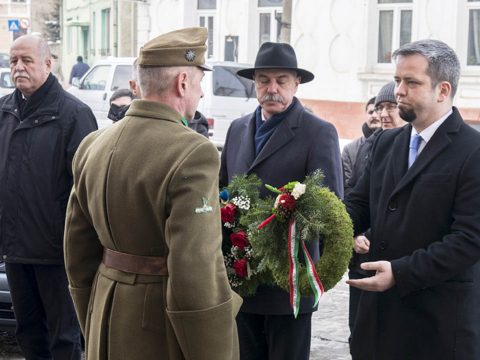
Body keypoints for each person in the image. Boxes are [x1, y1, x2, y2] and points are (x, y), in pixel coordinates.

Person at [64, 27, 241, 359]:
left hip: (106, 313)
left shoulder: (93, 144)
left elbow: (77, 251)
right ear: (183, 83)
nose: (201, 93)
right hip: (158, 331)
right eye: (199, 82)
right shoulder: (193, 153)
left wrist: (94, 313)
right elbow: (195, 270)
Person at [345, 39, 480, 360]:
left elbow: (469, 239)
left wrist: (401, 272)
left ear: (443, 90)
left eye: (411, 82)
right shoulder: (384, 143)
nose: (399, 91)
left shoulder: (472, 150)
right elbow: (359, 204)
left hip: (437, 326)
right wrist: (330, 224)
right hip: (377, 325)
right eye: (397, 81)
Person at [220, 41, 343, 360]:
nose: (271, 88)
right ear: (254, 83)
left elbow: (330, 206)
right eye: (263, 80)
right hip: (242, 281)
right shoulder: (236, 129)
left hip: (288, 286)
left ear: (296, 83)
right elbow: (222, 190)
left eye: (281, 80)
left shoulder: (318, 132)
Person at [0, 35, 97, 358]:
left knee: (64, 339)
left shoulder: (74, 115)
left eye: (26, 60)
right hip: (15, 250)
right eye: (14, 61)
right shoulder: (5, 112)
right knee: (28, 333)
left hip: (57, 254)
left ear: (47, 64)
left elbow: (86, 189)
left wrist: (78, 245)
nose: (18, 68)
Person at [345, 82, 407, 346]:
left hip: (403, 268)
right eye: (380, 107)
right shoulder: (368, 147)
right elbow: (358, 198)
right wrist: (350, 233)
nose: (383, 114)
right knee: (362, 336)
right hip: (364, 260)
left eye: (391, 106)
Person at [342, 96, 380, 195]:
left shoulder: (396, 143)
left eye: (377, 111)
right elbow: (346, 185)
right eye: (370, 112)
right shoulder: (350, 149)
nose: (374, 115)